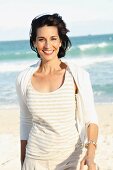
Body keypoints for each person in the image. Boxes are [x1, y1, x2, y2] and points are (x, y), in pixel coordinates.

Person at [16, 13, 99, 170]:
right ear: (34, 42)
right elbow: (25, 122)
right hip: (35, 160)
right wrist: (23, 163)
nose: (48, 45)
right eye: (41, 39)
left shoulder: (77, 75)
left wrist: (90, 155)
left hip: (70, 159)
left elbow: (91, 119)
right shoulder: (24, 78)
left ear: (61, 41)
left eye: (53, 38)